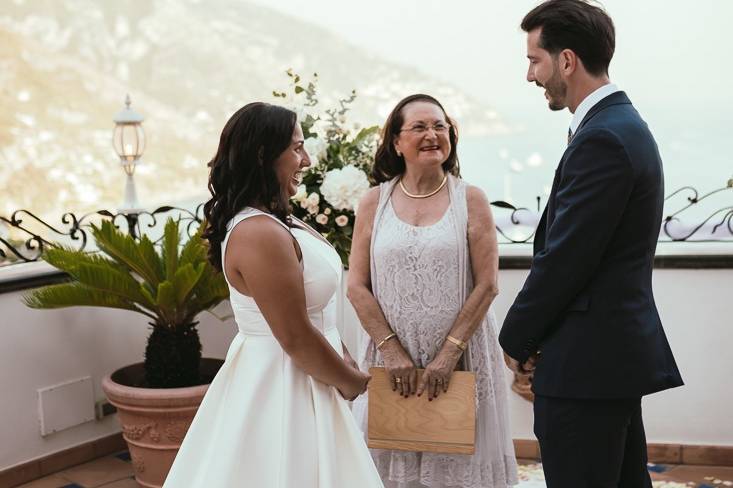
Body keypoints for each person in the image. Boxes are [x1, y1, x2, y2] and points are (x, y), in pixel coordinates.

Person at [499, 1, 684, 487]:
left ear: (566, 61)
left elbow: (567, 257)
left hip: (587, 366)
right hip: (607, 361)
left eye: (533, 60)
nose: (529, 75)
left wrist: (515, 338)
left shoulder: (604, 137)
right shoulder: (619, 126)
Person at [163, 102, 383, 488]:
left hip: (312, 374)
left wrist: (342, 353)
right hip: (283, 383)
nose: (308, 160)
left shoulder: (278, 219)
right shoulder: (258, 232)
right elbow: (295, 337)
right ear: (264, 154)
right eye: (297, 148)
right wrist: (349, 380)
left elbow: (316, 313)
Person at [349, 94, 518, 488]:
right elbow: (356, 286)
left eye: (440, 126)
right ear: (396, 142)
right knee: (392, 468)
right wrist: (391, 349)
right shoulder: (374, 202)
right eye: (420, 127)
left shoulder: (470, 199)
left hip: (463, 356)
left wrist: (448, 353)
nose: (432, 135)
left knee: (458, 471)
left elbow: (488, 283)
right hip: (391, 359)